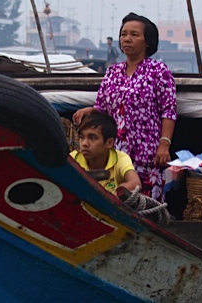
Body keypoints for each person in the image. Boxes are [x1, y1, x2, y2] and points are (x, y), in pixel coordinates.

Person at [73, 12, 177, 202]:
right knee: (114, 202)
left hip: (147, 156)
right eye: (123, 34)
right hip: (116, 158)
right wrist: (90, 111)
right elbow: (103, 108)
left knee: (146, 207)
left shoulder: (158, 71)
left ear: (147, 41)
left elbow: (168, 110)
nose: (126, 39)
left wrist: (164, 144)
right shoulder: (113, 72)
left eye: (134, 35)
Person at [70, 111, 141, 194]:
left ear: (109, 143)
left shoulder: (120, 158)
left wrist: (115, 194)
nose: (84, 143)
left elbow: (136, 184)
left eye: (92, 138)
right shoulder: (73, 158)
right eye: (82, 137)